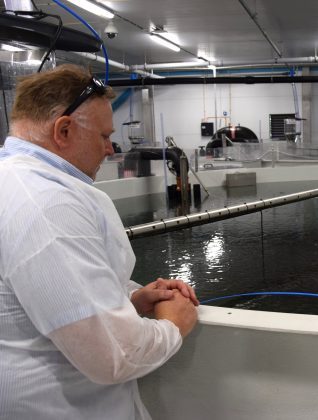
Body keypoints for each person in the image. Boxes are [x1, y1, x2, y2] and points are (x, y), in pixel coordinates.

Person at [0, 64, 199, 419]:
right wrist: (173, 326)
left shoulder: (13, 182)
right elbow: (113, 355)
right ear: (63, 130)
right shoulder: (47, 204)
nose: (110, 149)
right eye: (104, 136)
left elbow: (37, 302)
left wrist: (128, 299)